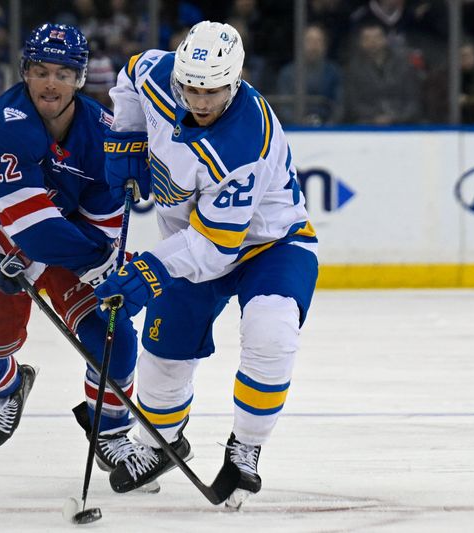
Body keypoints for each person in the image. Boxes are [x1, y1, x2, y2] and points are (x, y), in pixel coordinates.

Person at [93, 21, 319, 509]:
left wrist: (148, 270)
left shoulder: (245, 141)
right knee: (163, 357)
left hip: (270, 244)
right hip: (188, 241)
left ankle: (246, 448)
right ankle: (161, 443)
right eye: (191, 88)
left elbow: (216, 247)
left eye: (212, 91)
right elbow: (130, 76)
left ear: (235, 81)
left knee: (272, 332)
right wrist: (128, 135)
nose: (199, 100)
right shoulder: (159, 74)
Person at [0, 23, 146, 477]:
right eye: (40, 71)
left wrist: (104, 267)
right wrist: (94, 265)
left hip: (70, 239)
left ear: (79, 78)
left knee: (114, 339)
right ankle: (9, 385)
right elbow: (30, 229)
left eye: (62, 73)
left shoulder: (103, 136)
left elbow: (97, 231)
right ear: (25, 73)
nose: (50, 83)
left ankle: (110, 432)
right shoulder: (6, 123)